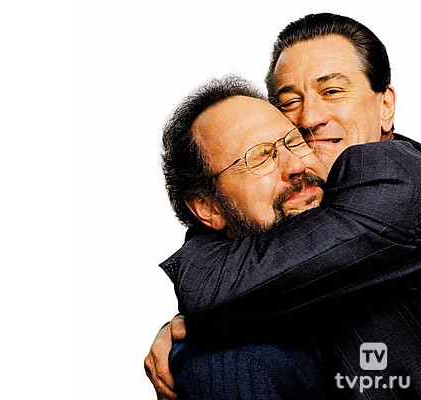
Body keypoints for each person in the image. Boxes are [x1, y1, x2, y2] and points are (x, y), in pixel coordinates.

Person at [145, 13, 421, 399]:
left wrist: (195, 325)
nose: (309, 119)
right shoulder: (306, 205)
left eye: (333, 91)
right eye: (290, 103)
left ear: (386, 105)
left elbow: (216, 285)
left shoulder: (398, 175)